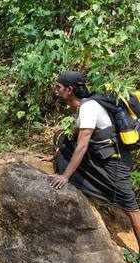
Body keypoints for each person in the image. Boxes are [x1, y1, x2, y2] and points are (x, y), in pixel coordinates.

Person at [49, 70, 140, 252]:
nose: (55, 89)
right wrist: (57, 154)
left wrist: (65, 176)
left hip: (116, 162)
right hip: (103, 157)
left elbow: (82, 146)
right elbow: (74, 139)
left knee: (131, 208)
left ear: (69, 90)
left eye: (58, 87)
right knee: (62, 147)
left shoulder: (89, 108)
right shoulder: (82, 106)